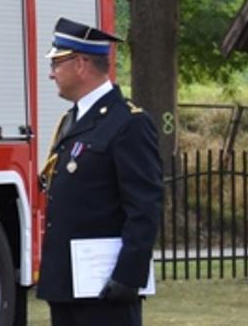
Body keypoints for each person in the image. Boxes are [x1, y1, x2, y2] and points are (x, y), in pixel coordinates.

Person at [36, 18, 162, 326]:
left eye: (57, 63)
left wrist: (128, 276)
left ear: (81, 63)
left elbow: (144, 206)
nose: (51, 73)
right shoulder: (72, 119)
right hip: (68, 284)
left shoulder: (128, 123)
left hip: (106, 287)